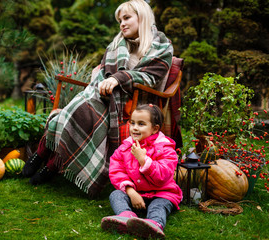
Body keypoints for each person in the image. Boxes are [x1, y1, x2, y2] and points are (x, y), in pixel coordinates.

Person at [22, 0, 174, 198]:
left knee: (82, 111)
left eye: (127, 18)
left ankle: (51, 164)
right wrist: (104, 82)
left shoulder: (162, 46)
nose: (122, 24)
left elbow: (151, 77)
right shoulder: (117, 44)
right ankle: (44, 154)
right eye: (120, 20)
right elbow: (103, 70)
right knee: (78, 107)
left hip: (130, 101)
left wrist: (118, 79)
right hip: (102, 93)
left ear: (142, 17)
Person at [101, 104, 182, 239]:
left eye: (141, 124)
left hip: (160, 193)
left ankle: (153, 224)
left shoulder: (166, 149)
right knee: (116, 195)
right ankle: (126, 217)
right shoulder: (124, 148)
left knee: (159, 206)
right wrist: (131, 192)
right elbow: (117, 171)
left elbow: (163, 175)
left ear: (155, 129)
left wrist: (144, 160)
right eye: (132, 123)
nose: (135, 128)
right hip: (136, 193)